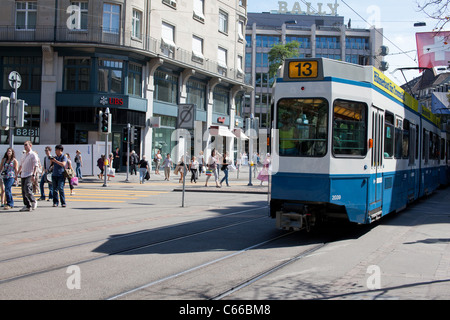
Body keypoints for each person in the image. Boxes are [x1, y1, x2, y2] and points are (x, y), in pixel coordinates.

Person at [18, 141, 39, 212]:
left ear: (30, 145)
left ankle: (33, 200)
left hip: (29, 174)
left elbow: (36, 165)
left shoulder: (33, 154)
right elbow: (20, 165)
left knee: (27, 188)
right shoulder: (24, 155)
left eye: (26, 145)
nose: (25, 146)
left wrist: (34, 174)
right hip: (23, 174)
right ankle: (27, 205)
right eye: (24, 145)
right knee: (23, 191)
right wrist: (17, 174)